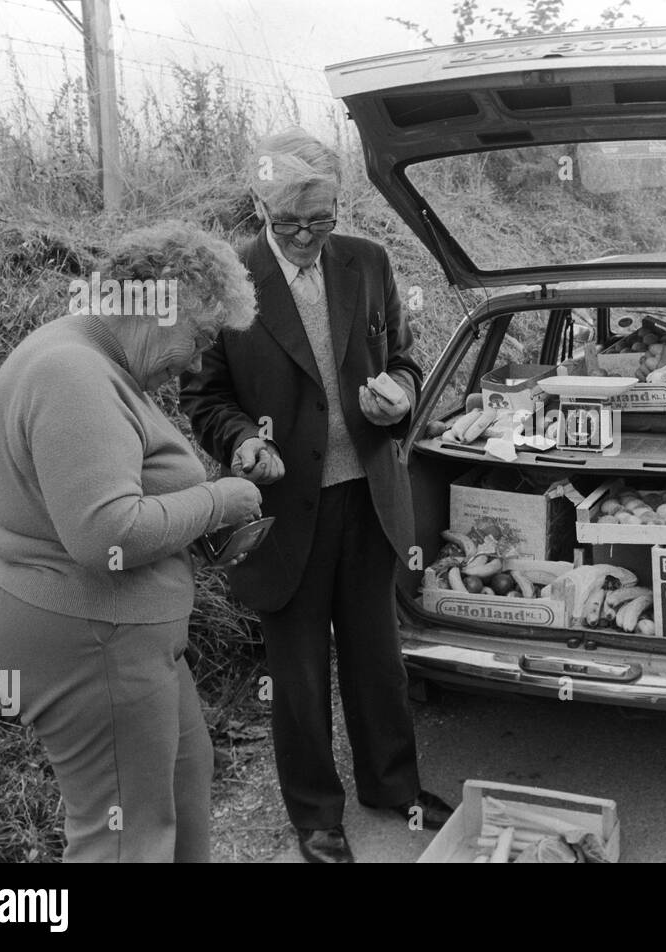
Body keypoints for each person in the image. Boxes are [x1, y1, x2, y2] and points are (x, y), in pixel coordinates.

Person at [179, 128, 453, 863]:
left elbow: (404, 353)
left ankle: (392, 786)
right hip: (283, 503)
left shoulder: (367, 261)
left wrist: (400, 388)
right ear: (262, 206)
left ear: (339, 205)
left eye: (320, 219)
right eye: (289, 222)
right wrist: (239, 441)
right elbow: (204, 395)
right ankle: (316, 816)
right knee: (297, 674)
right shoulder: (229, 281)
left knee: (377, 656)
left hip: (366, 492)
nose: (305, 236)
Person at [0, 221, 262, 861]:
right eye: (202, 338)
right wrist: (218, 501)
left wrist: (192, 534)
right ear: (161, 305)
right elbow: (104, 533)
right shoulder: (74, 374)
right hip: (88, 637)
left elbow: (114, 504)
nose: (197, 361)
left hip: (122, 635)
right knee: (124, 837)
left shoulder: (100, 361)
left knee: (184, 787)